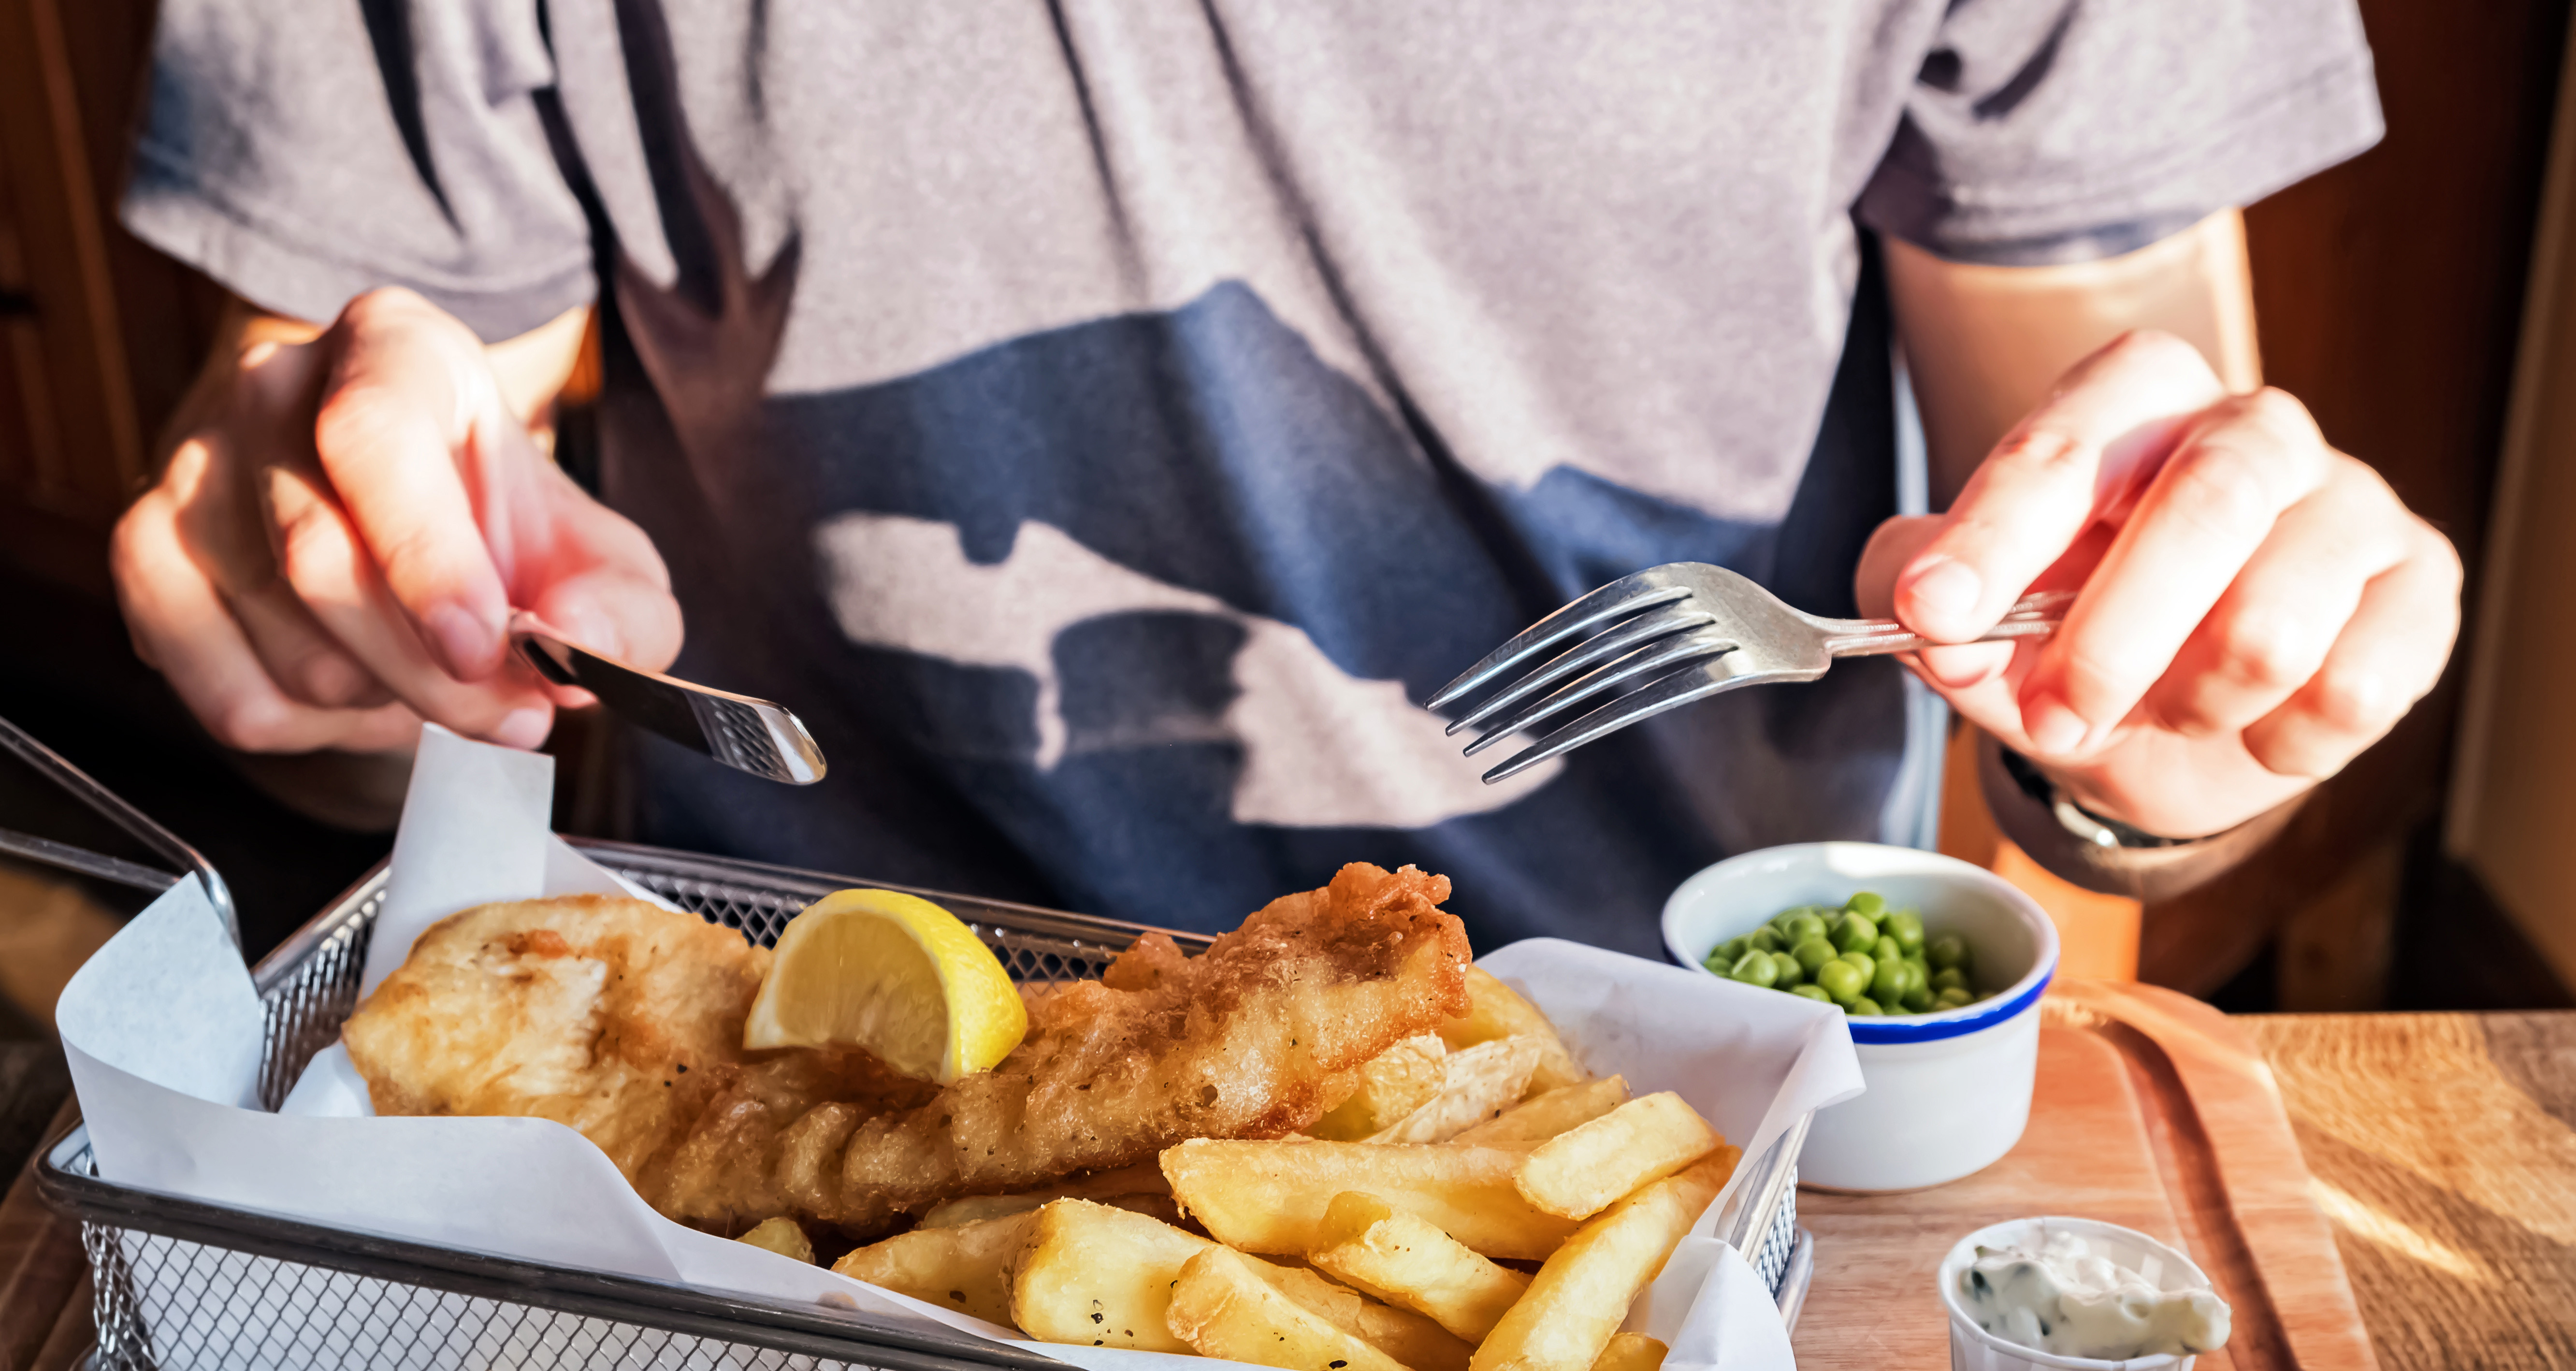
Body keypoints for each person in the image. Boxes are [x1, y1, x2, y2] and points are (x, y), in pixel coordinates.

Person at [107, 1, 2460, 955]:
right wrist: (347, 592)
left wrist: (2180, 728)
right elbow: (410, 543)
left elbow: (2138, 617)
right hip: (782, 1103)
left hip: (1687, 1129)